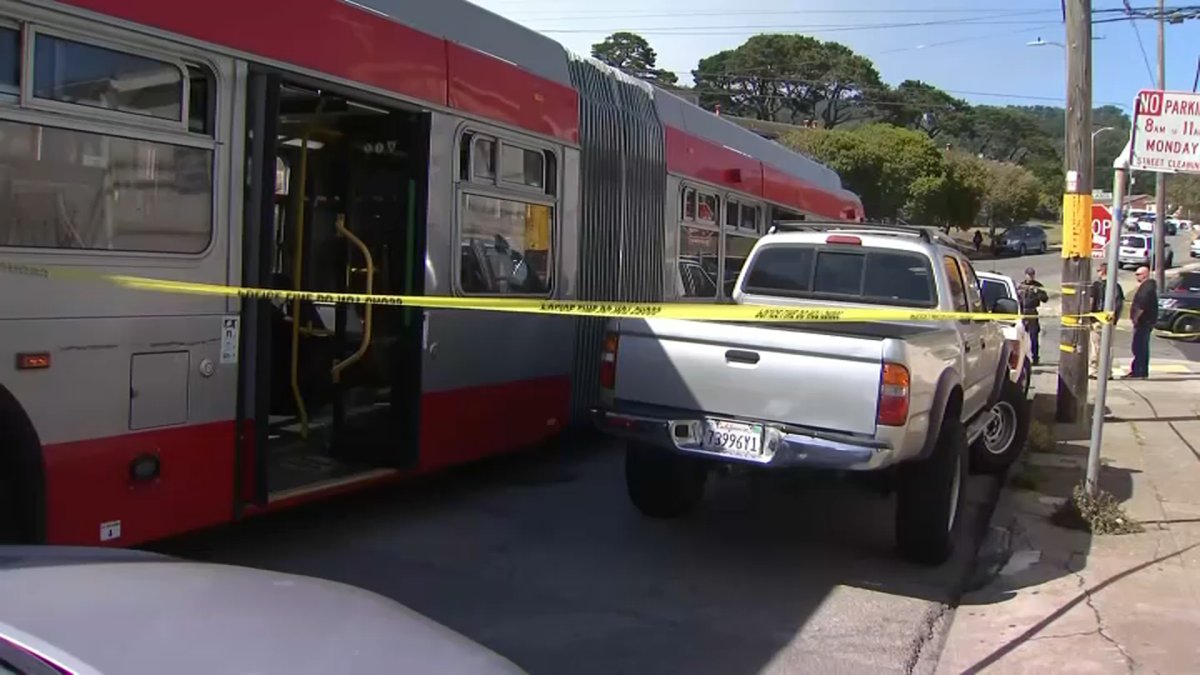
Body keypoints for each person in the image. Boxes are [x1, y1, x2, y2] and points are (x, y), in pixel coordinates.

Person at [1089, 262, 1124, 379]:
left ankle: (1094, 370)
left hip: (1097, 319)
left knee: (1096, 347)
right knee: (1108, 347)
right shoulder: (1116, 287)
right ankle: (1107, 372)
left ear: (1102, 271)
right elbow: (1119, 304)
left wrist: (1090, 318)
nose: (1097, 273)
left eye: (1098, 270)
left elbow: (1091, 302)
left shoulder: (1096, 286)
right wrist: (1115, 319)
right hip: (1110, 321)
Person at [1125, 265, 1157, 379]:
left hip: (1144, 322)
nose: (1136, 276)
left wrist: (1135, 318)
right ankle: (1139, 370)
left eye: (1138, 274)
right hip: (1146, 322)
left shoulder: (1146, 288)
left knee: (1139, 347)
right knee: (1140, 347)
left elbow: (1141, 305)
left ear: (1145, 274)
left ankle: (1139, 371)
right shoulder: (1146, 287)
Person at [1018, 267, 1049, 365]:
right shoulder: (1021, 286)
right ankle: (1022, 357)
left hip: (1032, 312)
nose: (1030, 276)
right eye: (1029, 274)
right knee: (1020, 335)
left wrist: (1037, 292)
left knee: (1033, 336)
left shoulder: (1038, 286)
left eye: (1032, 274)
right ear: (1025, 275)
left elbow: (1045, 299)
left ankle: (1035, 357)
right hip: (1022, 312)